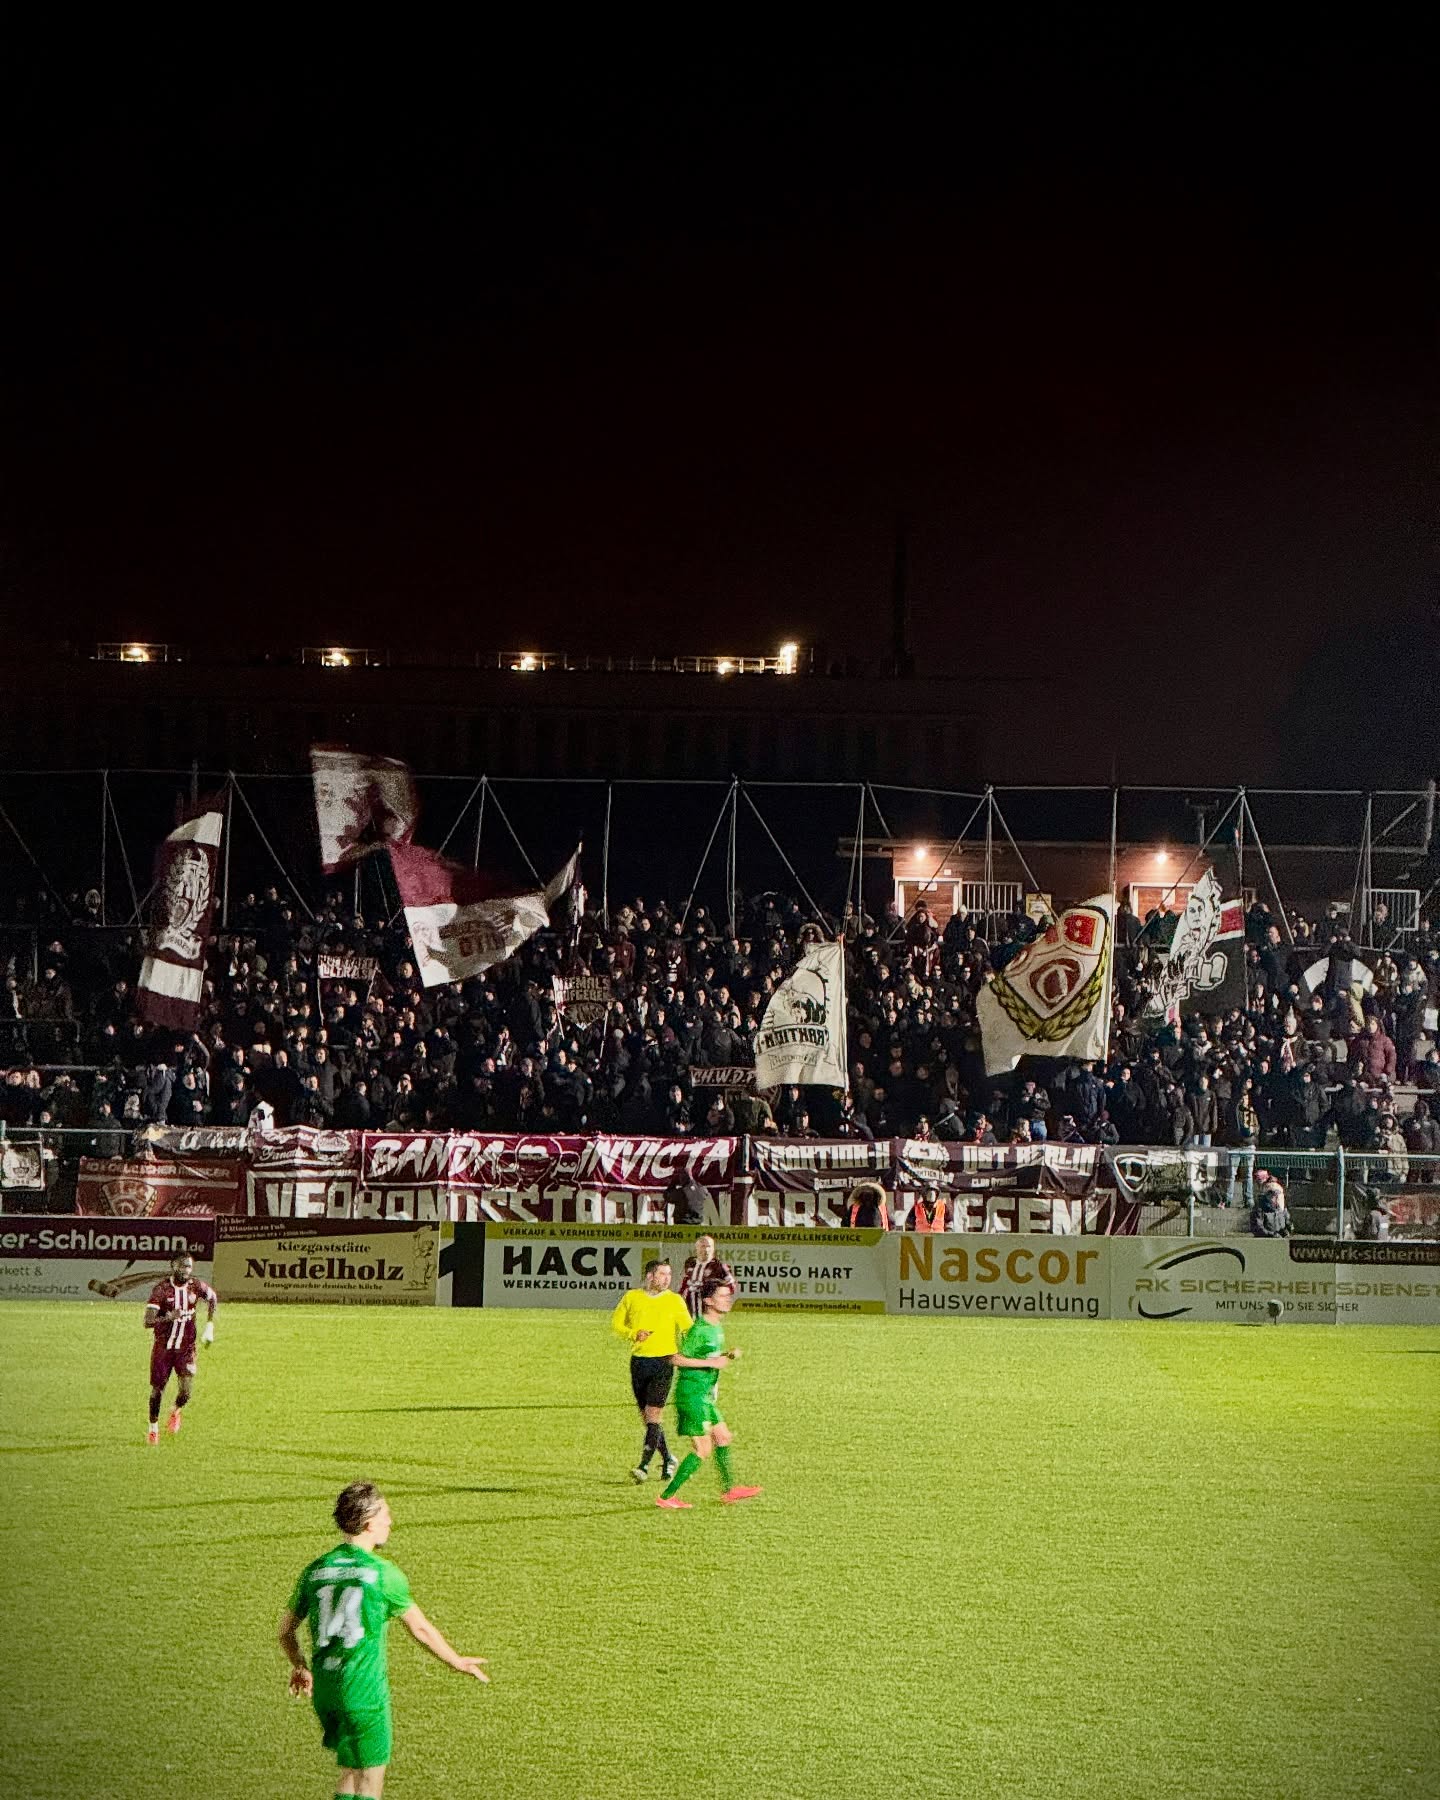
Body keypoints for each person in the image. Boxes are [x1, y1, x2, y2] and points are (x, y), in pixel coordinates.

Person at [279, 1482, 488, 1798]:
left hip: (326, 1692)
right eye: (385, 1516)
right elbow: (421, 1629)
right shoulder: (382, 1574)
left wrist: (299, 1666)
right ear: (368, 1523)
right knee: (370, 1783)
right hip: (363, 1693)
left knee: (353, 1770)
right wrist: (456, 1661)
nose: (390, 1522)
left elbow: (285, 1632)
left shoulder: (316, 1570)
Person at [656, 1277, 762, 1509]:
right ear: (708, 1300)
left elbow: (707, 1357)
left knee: (723, 1437)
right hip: (692, 1395)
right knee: (703, 1449)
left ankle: (729, 1490)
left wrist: (725, 1356)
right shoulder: (701, 1329)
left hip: (704, 1396)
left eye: (728, 1295)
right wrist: (713, 1364)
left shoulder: (716, 1328)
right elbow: (675, 1358)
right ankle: (666, 1497)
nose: (728, 1299)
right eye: (722, 1296)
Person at [610, 1258, 691, 1484]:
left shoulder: (675, 1301)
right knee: (648, 1419)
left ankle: (643, 1466)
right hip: (639, 1362)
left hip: (664, 1363)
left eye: (669, 1275)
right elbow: (617, 1324)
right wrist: (633, 1333)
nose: (667, 1279)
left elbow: (688, 1329)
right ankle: (668, 1458)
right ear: (650, 1276)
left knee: (654, 1415)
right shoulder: (632, 1297)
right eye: (662, 1274)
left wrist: (702, 1349)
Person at [143, 1251, 217, 1445]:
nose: (186, 1270)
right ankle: (153, 1428)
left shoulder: (195, 1287)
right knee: (157, 1391)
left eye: (189, 1267)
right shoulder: (161, 1290)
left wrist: (210, 1326)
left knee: (186, 1392)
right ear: (173, 1266)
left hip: (186, 1349)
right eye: (182, 1266)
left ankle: (175, 1410)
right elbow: (148, 1321)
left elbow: (213, 1298)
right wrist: (168, 1317)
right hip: (163, 1349)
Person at [678, 1233, 736, 1311]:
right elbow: (685, 1284)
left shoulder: (719, 1266)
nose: (706, 1249)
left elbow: (731, 1286)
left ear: (713, 1249)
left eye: (709, 1246)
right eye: (703, 1246)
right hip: (690, 1311)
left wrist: (716, 1293)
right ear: (697, 1248)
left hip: (709, 1313)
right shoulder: (691, 1264)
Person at [1249, 1169, 1291, 1238]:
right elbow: (1257, 1229)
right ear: (1267, 1196)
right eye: (1273, 1194)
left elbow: (1288, 1225)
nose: (1277, 1197)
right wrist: (1271, 1234)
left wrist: (1287, 1230)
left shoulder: (1283, 1211)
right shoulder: (1259, 1210)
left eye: (1279, 1194)